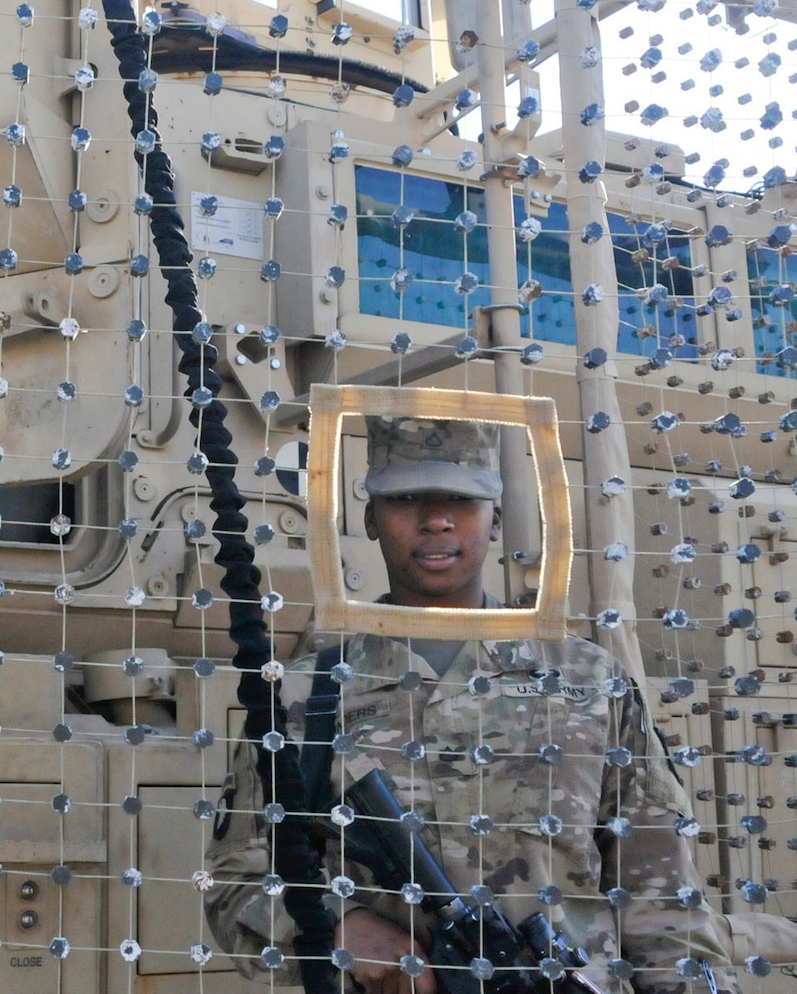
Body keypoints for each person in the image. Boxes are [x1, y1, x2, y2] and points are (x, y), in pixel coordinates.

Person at [205, 416, 741, 994]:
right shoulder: (306, 697)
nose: (436, 519)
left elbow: (664, 903)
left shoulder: (588, 680)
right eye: (406, 498)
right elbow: (235, 880)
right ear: (369, 518)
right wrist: (340, 928)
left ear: (496, 520)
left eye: (462, 499)